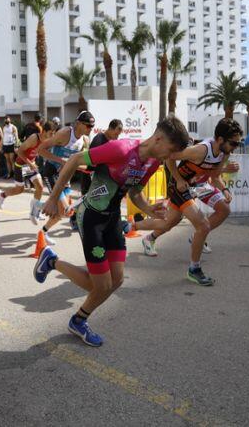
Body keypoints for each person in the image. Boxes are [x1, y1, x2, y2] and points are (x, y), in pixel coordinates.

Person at [34, 118, 190, 346]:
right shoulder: (122, 148)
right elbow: (76, 159)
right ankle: (52, 262)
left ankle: (78, 320)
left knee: (115, 281)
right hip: (91, 217)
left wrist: (149, 209)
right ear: (158, 139)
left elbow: (134, 192)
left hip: (113, 219)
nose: (171, 157)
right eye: (171, 150)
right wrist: (51, 198)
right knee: (100, 286)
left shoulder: (153, 163)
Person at [136, 118, 243, 286]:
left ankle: (153, 236)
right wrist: (178, 179)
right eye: (234, 143)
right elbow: (170, 156)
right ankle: (194, 269)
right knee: (196, 225)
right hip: (181, 186)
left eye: (238, 144)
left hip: (199, 185)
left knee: (222, 210)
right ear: (220, 139)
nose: (235, 147)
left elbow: (215, 176)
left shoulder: (224, 153)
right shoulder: (200, 151)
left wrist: (224, 189)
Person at [37, 111, 94, 244]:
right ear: (78, 123)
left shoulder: (85, 140)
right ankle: (40, 210)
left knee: (63, 213)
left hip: (66, 177)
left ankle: (42, 228)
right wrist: (62, 161)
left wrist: (91, 169)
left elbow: (81, 163)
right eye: (88, 126)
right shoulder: (65, 133)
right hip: (52, 172)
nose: (90, 129)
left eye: (92, 126)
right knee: (63, 210)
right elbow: (41, 149)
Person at [0, 121, 55, 224]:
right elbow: (19, 151)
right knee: (19, 190)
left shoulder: (46, 140)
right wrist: (30, 163)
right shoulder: (34, 138)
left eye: (54, 133)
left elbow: (41, 152)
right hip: (21, 165)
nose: (53, 135)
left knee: (40, 187)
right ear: (45, 131)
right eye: (51, 133)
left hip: (30, 165)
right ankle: (2, 195)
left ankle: (34, 213)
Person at [81, 119, 124, 196]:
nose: (117, 137)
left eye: (118, 135)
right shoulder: (99, 140)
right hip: (90, 183)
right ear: (110, 129)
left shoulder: (110, 142)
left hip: (100, 184)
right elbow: (91, 163)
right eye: (116, 134)